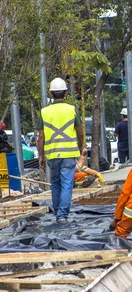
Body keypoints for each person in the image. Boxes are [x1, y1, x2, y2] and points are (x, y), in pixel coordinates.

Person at [37, 77, 85, 224]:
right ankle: (62, 215)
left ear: (51, 94)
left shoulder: (44, 112)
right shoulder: (71, 110)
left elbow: (41, 136)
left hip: (52, 154)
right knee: (66, 184)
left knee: (56, 182)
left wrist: (41, 156)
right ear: (65, 93)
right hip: (69, 154)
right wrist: (81, 147)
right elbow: (80, 131)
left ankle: (57, 211)